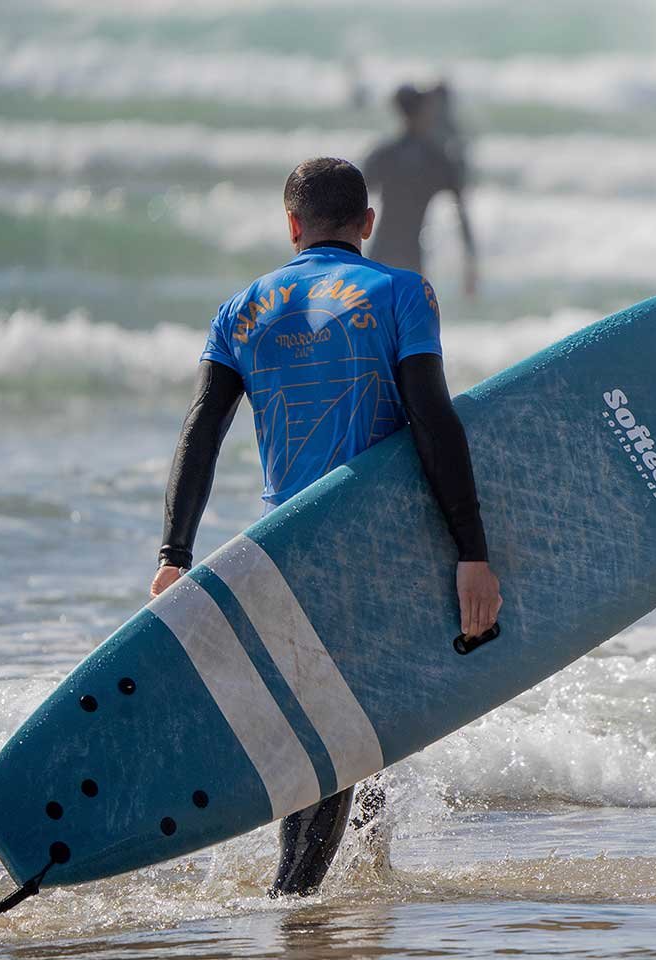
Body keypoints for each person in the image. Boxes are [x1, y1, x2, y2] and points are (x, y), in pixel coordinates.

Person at [150, 157, 502, 895]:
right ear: (366, 224)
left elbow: (200, 435)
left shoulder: (240, 309)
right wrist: (472, 549)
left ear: (291, 225)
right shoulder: (401, 291)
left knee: (350, 717)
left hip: (283, 547)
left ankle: (367, 877)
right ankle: (293, 904)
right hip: (372, 540)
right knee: (344, 730)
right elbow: (433, 422)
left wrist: (174, 554)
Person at [365, 84, 479, 298]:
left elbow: (353, 200)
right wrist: (470, 263)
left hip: (379, 252)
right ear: (424, 112)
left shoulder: (385, 154)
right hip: (411, 258)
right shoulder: (437, 159)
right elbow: (461, 212)